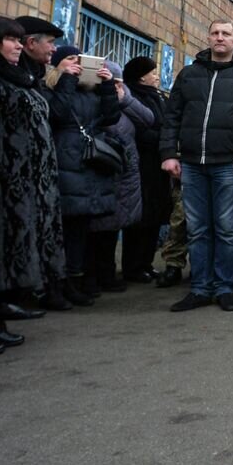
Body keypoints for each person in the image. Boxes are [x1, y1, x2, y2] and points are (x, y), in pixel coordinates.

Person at [159, 20, 233, 313]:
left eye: (226, 34)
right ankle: (199, 288)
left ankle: (224, 288)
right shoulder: (189, 74)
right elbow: (172, 117)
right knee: (197, 229)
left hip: (229, 165)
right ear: (208, 38)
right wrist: (169, 153)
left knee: (227, 229)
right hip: (192, 164)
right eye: (215, 33)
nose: (220, 38)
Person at [44, 45, 120, 306]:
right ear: (57, 64)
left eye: (80, 60)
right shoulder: (53, 87)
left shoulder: (91, 91)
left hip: (88, 164)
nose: (76, 63)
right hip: (65, 161)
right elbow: (57, 113)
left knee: (81, 228)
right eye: (69, 59)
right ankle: (55, 284)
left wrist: (107, 86)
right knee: (63, 227)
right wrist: (67, 79)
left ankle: (74, 281)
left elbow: (110, 117)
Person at [0, 16, 60, 336]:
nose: (18, 46)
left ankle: (9, 299)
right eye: (11, 40)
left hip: (26, 176)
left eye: (19, 40)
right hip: (9, 173)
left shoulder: (23, 78)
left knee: (15, 241)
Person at [85, 60, 149, 293]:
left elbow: (148, 119)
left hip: (126, 170)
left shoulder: (125, 99)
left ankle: (107, 273)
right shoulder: (92, 97)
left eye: (118, 82)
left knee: (114, 225)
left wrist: (125, 99)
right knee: (96, 228)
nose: (115, 86)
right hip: (101, 166)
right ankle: (92, 276)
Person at [121, 56, 172, 283]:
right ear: (141, 76)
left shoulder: (157, 96)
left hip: (157, 166)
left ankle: (147, 263)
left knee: (154, 216)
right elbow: (140, 130)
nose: (156, 76)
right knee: (140, 218)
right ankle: (133, 266)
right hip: (141, 165)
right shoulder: (131, 97)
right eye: (152, 72)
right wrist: (162, 140)